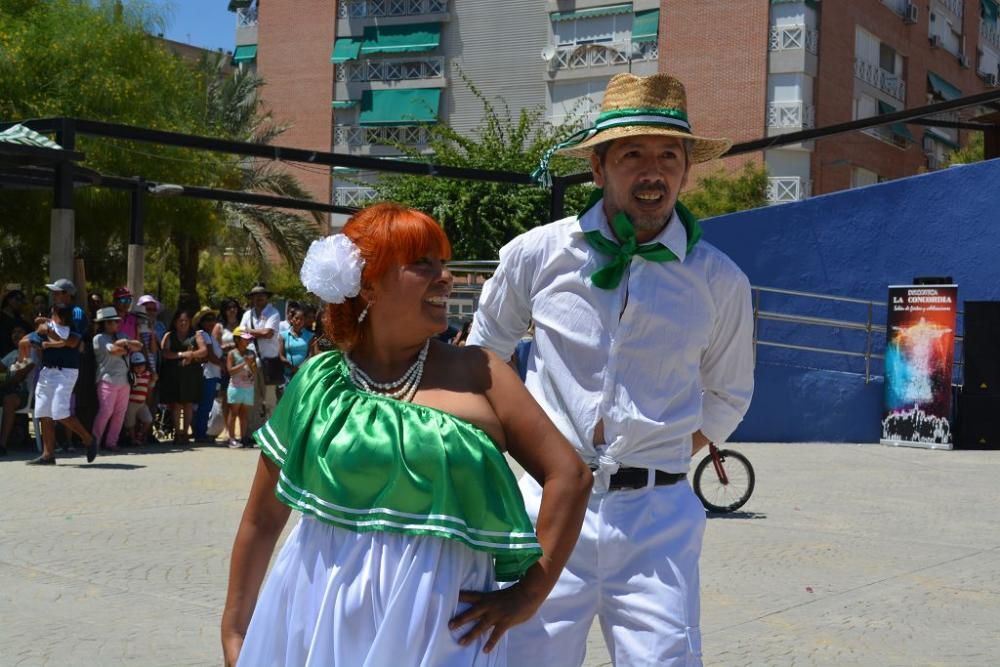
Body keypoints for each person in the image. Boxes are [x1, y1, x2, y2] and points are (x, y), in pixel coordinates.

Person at [221, 203, 592, 667]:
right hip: (319, 610)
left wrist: (531, 593)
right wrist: (236, 625)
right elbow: (262, 520)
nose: (445, 277)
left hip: (442, 626)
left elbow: (570, 476)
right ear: (368, 283)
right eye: (423, 264)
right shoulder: (319, 381)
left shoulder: (482, 372)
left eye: (444, 264)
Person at [467, 73, 756, 666]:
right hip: (543, 511)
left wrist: (664, 447)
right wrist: (531, 456)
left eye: (668, 156)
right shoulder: (539, 254)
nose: (653, 172)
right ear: (598, 169)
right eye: (633, 155)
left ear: (685, 169)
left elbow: (727, 395)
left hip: (659, 523)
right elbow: (483, 358)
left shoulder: (719, 280)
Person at [27, 302, 96, 465]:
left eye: (58, 312)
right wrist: (40, 337)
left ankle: (89, 439)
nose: (54, 314)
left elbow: (71, 343)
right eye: (54, 311)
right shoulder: (46, 326)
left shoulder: (71, 331)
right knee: (43, 411)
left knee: (59, 412)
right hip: (46, 372)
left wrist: (50, 336)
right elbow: (34, 341)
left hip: (65, 372)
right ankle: (48, 454)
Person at [91, 306, 142, 453]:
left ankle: (111, 442)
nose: (115, 324)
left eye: (115, 321)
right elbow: (114, 350)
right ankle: (95, 442)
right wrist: (127, 345)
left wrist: (124, 342)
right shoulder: (98, 338)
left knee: (120, 413)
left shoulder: (122, 335)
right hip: (107, 380)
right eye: (112, 322)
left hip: (124, 381)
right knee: (106, 411)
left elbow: (139, 345)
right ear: (104, 324)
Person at [159, 309, 207, 445]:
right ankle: (177, 433)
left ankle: (185, 433)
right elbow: (165, 353)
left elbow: (203, 351)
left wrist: (191, 355)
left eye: (186, 320)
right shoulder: (169, 335)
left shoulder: (196, 334)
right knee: (176, 404)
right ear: (175, 322)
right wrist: (182, 354)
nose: (183, 323)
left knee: (188, 404)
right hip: (173, 373)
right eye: (180, 320)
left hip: (191, 374)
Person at [238, 283, 281, 434]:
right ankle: (253, 432)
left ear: (266, 298)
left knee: (270, 399)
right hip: (251, 362)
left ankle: (272, 433)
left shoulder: (274, 313)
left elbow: (268, 333)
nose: (258, 299)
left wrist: (249, 331)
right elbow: (240, 334)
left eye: (261, 296)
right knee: (253, 398)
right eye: (255, 296)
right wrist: (256, 332)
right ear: (252, 299)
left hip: (269, 361)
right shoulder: (246, 315)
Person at [0, 324, 33, 455]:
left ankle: (2, 445)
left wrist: (3, 383)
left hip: (25, 393)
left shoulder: (32, 353)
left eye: (20, 331)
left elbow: (19, 376)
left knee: (9, 400)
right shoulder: (13, 353)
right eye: (14, 331)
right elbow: (2, 367)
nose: (16, 334)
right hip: (8, 388)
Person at [192, 306, 223, 443]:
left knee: (207, 405)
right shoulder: (203, 334)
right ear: (201, 321)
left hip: (213, 374)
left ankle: (201, 432)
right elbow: (210, 355)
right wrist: (224, 365)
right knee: (204, 405)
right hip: (208, 374)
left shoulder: (211, 335)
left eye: (213, 319)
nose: (211, 322)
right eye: (207, 319)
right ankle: (200, 434)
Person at [224, 328, 255, 449]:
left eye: (248, 339)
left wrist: (251, 366)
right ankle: (231, 439)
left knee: (244, 414)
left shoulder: (251, 353)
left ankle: (244, 438)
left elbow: (254, 371)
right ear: (237, 339)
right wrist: (244, 363)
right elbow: (230, 371)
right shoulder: (232, 353)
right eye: (244, 338)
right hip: (235, 387)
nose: (247, 341)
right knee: (234, 413)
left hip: (248, 387)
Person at [277, 305, 312, 385]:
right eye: (296, 318)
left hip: (304, 373)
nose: (299, 321)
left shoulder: (310, 335)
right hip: (287, 375)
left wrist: (299, 368)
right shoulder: (283, 335)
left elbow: (310, 354)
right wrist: (292, 368)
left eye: (302, 319)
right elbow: (281, 355)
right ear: (291, 319)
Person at [125, 352, 154, 446]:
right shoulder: (131, 376)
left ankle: (139, 436)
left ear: (145, 365)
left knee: (148, 420)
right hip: (131, 403)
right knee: (130, 423)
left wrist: (154, 379)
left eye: (141, 365)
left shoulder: (148, 374)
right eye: (136, 366)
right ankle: (133, 439)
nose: (139, 368)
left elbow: (151, 384)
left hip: (142, 403)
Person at [0, 288, 30, 357]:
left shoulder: (20, 318)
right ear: (8, 300)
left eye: (21, 301)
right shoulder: (1, 316)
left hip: (16, 354)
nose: (19, 303)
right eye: (17, 299)